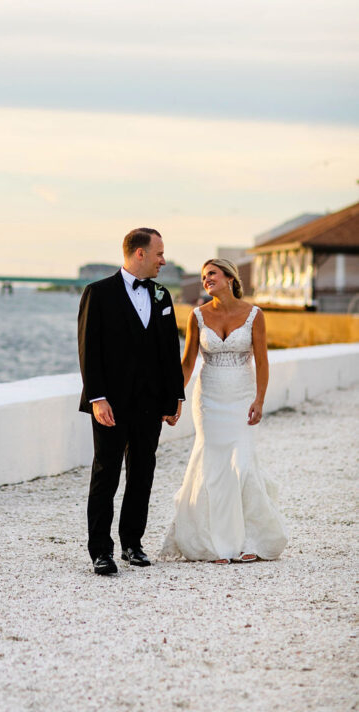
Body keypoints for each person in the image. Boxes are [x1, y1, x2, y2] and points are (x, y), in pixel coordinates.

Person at [161, 258, 288, 563]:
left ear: (230, 277)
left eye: (212, 274)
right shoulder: (197, 315)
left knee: (241, 465)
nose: (206, 280)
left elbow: (262, 361)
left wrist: (259, 399)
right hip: (210, 398)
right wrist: (174, 399)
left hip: (241, 396)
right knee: (214, 467)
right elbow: (188, 362)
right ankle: (214, 545)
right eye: (204, 276)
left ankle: (249, 541)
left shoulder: (255, 315)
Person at [78, 228, 185, 575]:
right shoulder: (98, 293)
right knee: (106, 474)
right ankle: (100, 551)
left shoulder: (161, 294)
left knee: (142, 473)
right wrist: (97, 398)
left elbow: (170, 350)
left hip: (151, 403)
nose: (163, 261)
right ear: (139, 253)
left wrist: (175, 396)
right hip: (111, 403)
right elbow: (88, 349)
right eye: (159, 254)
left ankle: (132, 544)